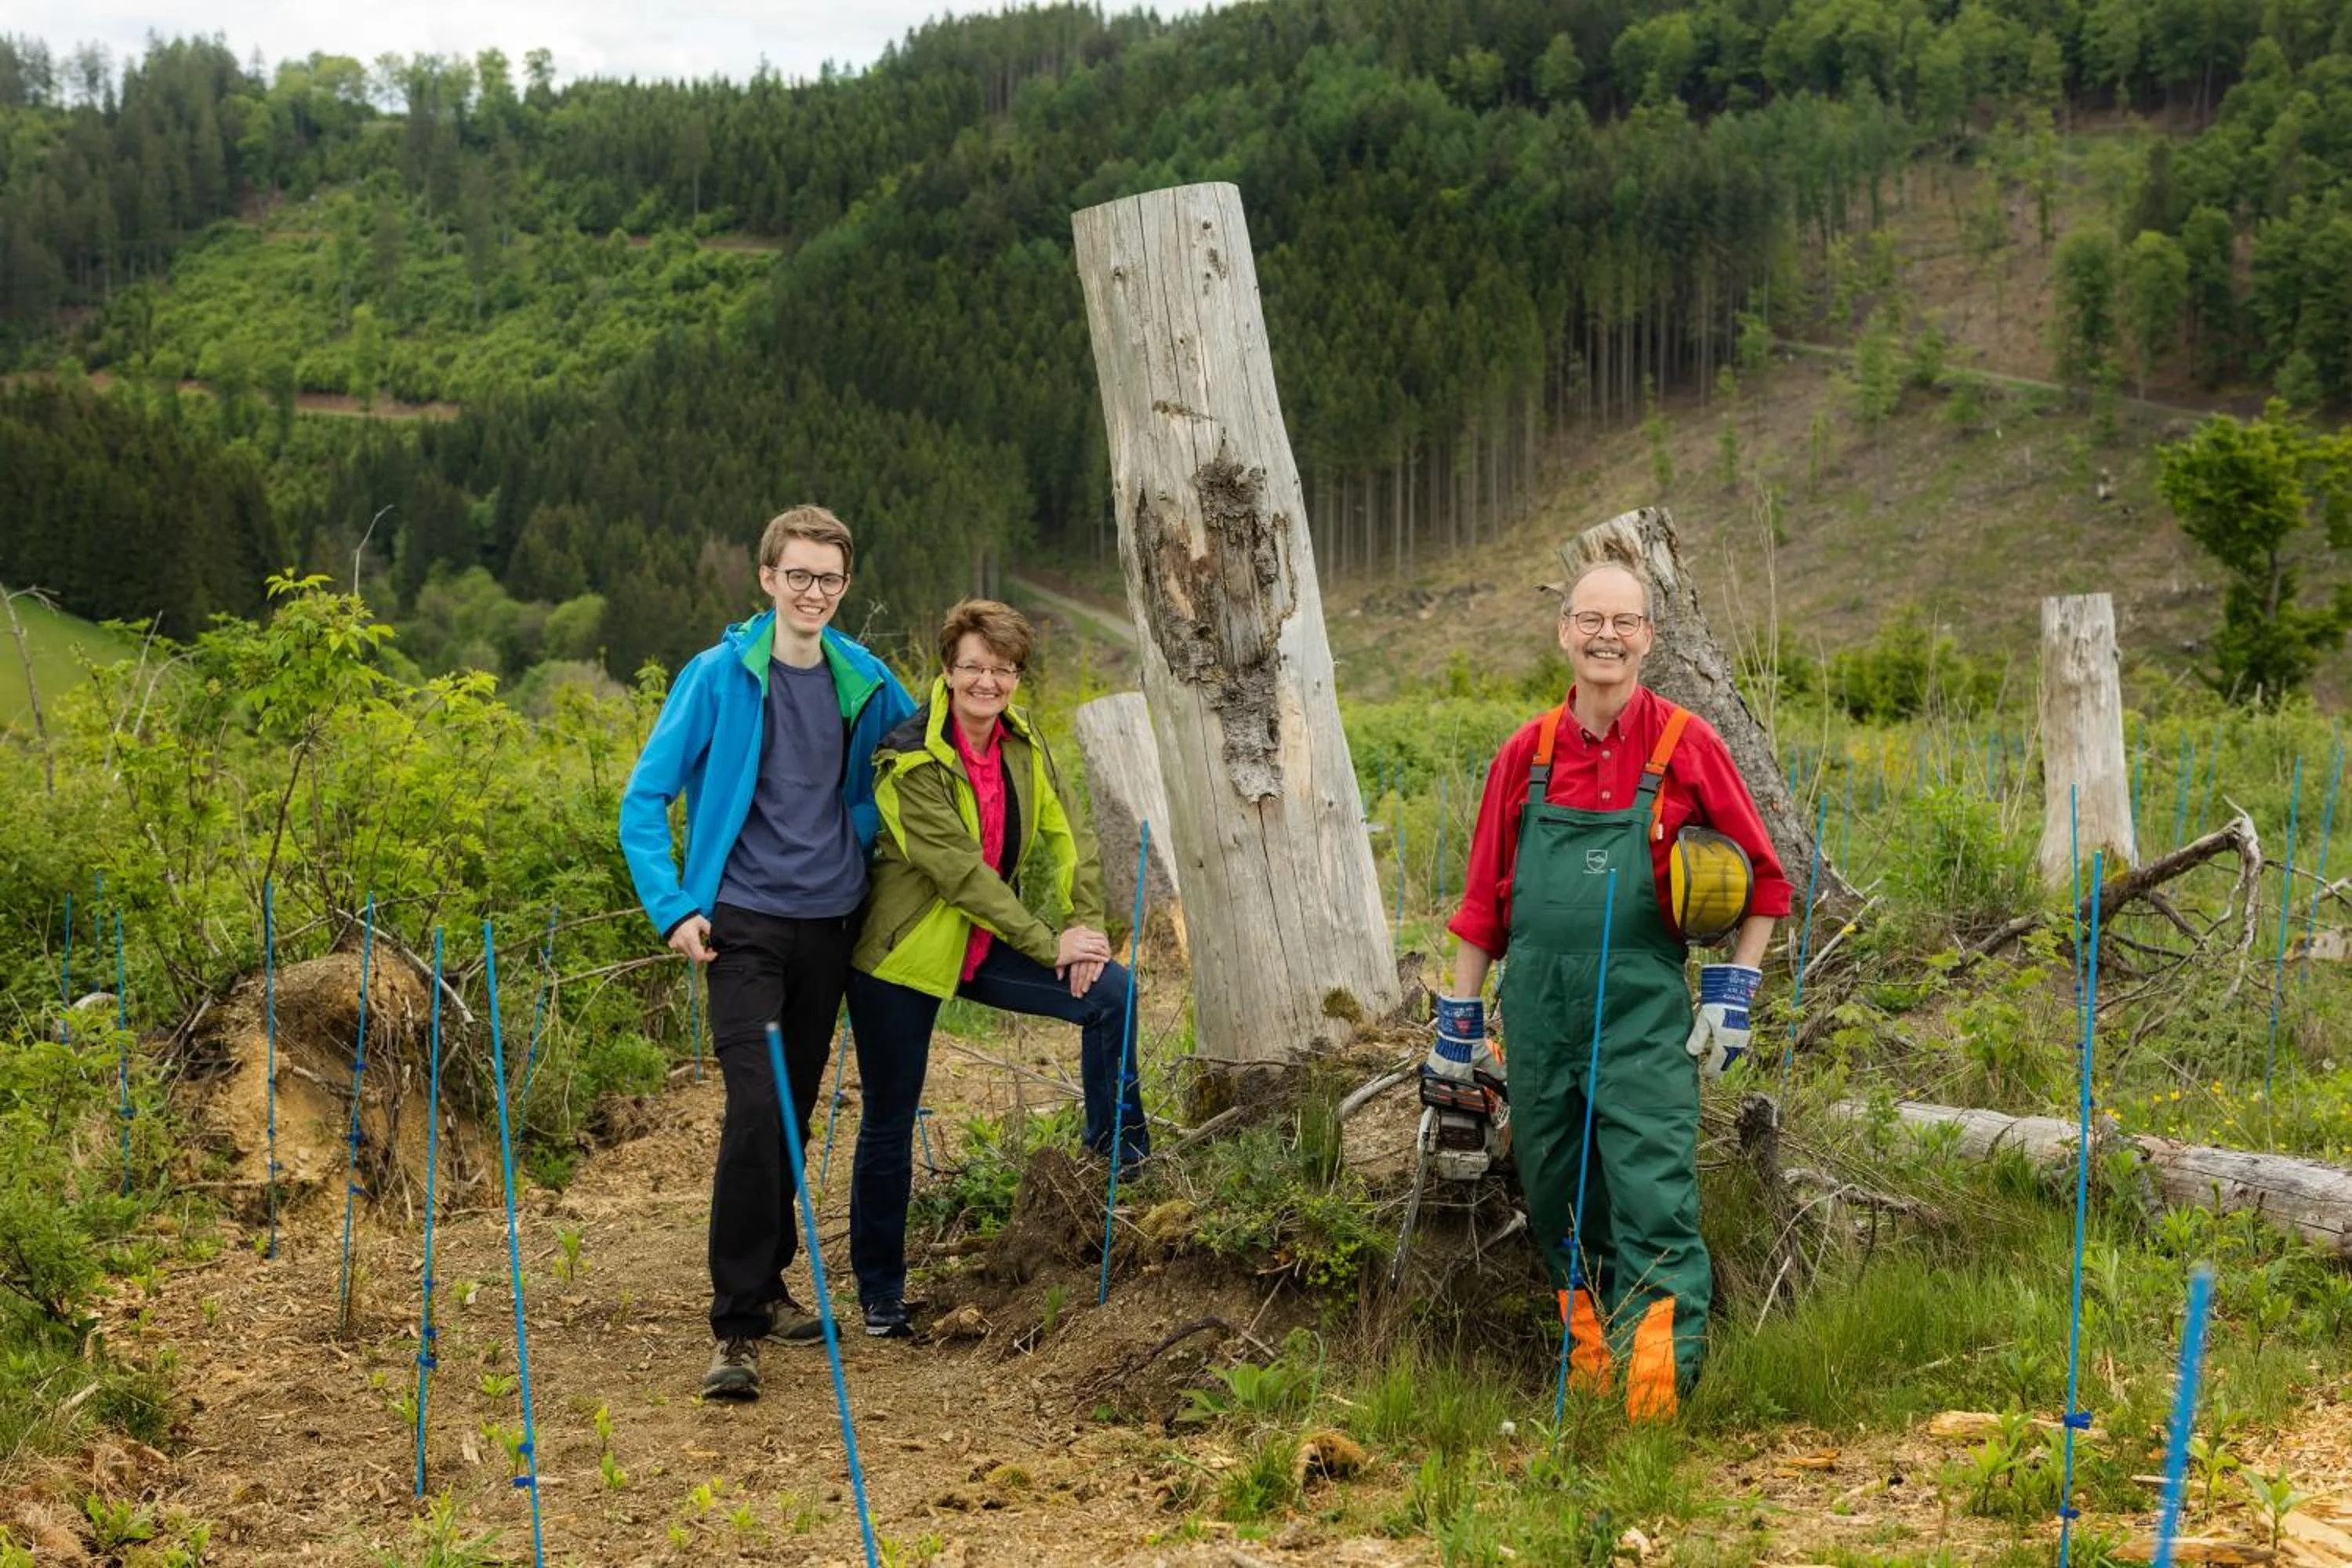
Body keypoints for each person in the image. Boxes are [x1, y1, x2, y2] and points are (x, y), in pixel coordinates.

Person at [1431, 560, 1791, 1422]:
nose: (1607, 636)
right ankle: (1591, 1387)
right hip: (1538, 1018)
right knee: (1559, 1199)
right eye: (1591, 619)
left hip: (1641, 1020)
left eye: (1625, 622)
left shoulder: (1686, 745)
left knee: (1653, 1201)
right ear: (1564, 631)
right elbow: (1482, 905)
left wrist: (1733, 990)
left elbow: (1768, 883)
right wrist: (1458, 1026)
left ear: (1648, 639)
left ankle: (1651, 1407)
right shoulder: (1525, 754)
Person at [617, 505, 916, 1401]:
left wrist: (871, 825)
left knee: (792, 1110)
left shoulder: (866, 679)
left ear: (845, 585)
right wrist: (673, 907)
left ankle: (774, 1283)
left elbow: (922, 756)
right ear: (767, 578)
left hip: (831, 924)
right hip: (740, 925)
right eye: (798, 575)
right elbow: (644, 798)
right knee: (756, 1105)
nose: (813, 592)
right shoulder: (717, 676)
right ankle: (737, 1324)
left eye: (829, 578)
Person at [844, 599, 1147, 1335]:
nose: (989, 681)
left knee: (1112, 993)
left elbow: (1068, 835)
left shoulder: (1022, 741)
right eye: (974, 667)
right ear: (948, 669)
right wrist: (1047, 944)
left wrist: (1084, 928)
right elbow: (960, 875)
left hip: (982, 944)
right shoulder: (907, 756)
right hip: (903, 956)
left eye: (1004, 669)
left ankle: (1118, 1177)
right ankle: (881, 1290)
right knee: (889, 1118)